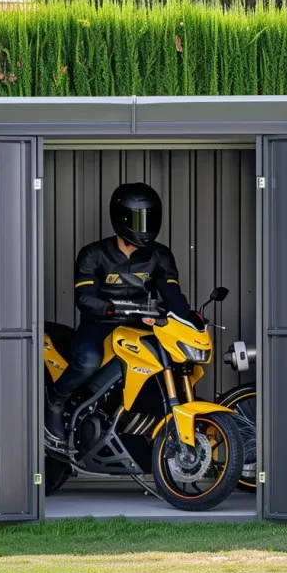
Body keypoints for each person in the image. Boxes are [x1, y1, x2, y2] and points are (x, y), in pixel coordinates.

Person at [45, 182, 196, 441]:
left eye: (150, 218)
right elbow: (84, 298)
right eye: (138, 219)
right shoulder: (93, 254)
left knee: (174, 358)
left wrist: (188, 318)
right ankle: (55, 403)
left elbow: (172, 294)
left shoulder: (160, 255)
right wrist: (110, 308)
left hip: (140, 326)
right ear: (121, 218)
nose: (145, 226)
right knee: (89, 361)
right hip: (100, 324)